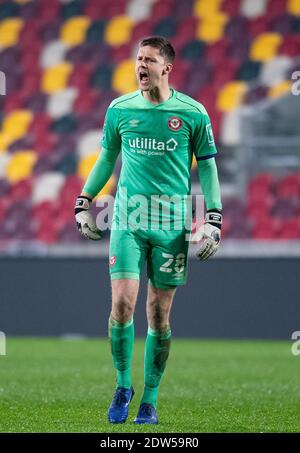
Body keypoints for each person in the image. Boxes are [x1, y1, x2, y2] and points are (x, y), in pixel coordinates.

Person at [75, 36, 222, 425]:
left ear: (167, 68)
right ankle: (123, 386)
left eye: (149, 60)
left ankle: (150, 400)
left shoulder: (192, 113)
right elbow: (107, 157)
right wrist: (84, 199)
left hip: (171, 224)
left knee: (158, 316)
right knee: (122, 304)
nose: (141, 65)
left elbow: (207, 166)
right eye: (138, 59)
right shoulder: (120, 109)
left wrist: (214, 217)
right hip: (128, 220)